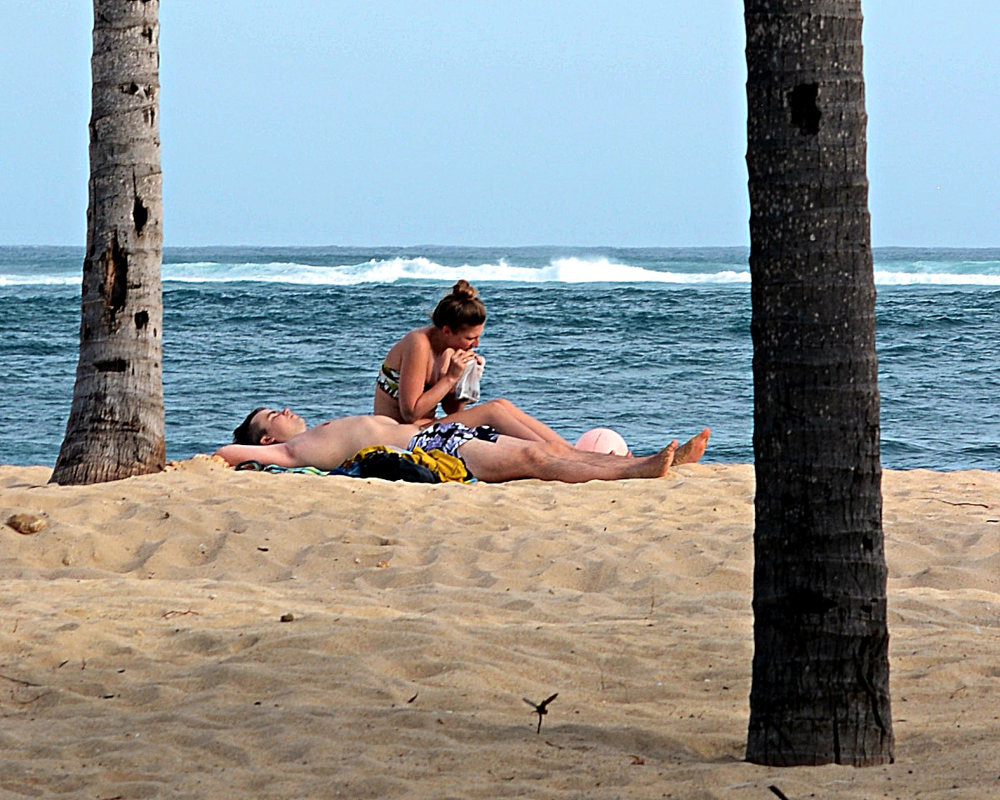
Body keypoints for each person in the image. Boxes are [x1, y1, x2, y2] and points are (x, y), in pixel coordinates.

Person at [216, 407, 711, 484]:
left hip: (438, 437)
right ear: (266, 437)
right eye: (271, 413)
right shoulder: (288, 452)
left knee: (551, 453)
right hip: (430, 452)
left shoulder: (305, 436)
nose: (283, 409)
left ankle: (637, 459)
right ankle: (635, 472)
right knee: (532, 458)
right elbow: (223, 455)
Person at [374, 280, 570, 445]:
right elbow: (410, 413)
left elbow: (453, 410)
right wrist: (450, 378)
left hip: (427, 426)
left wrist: (467, 378)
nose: (476, 344)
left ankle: (567, 450)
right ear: (447, 330)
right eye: (470, 338)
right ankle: (555, 452)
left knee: (502, 404)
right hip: (401, 434)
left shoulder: (451, 350)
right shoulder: (419, 343)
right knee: (493, 411)